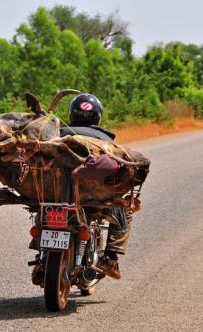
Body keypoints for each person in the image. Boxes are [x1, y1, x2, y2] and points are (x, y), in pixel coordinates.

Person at [60, 93, 133, 280]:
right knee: (125, 210)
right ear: (98, 115)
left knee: (45, 211)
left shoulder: (59, 135)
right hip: (94, 198)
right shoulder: (105, 139)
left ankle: (40, 257)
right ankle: (110, 257)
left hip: (59, 195)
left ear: (72, 114)